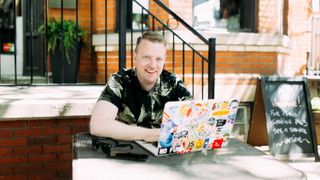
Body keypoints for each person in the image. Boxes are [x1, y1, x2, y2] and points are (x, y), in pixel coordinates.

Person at [90, 31, 192, 142]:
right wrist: (147, 134)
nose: (153, 65)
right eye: (147, 57)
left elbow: (193, 122)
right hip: (126, 152)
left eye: (158, 59)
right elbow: (98, 125)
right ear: (135, 57)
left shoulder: (173, 83)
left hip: (163, 154)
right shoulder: (120, 81)